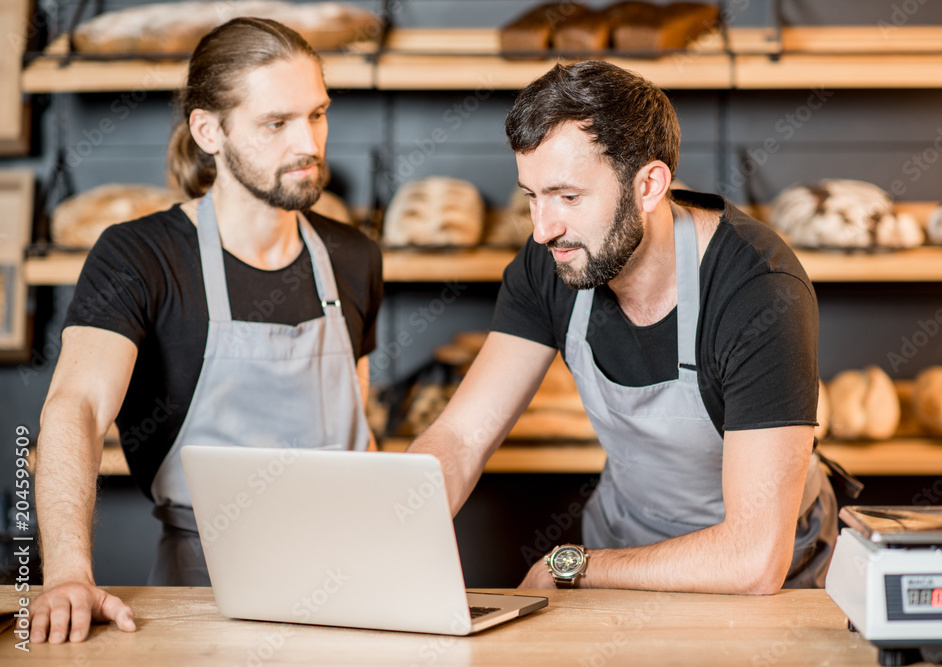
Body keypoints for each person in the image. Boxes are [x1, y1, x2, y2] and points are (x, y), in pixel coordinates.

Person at [410, 60, 847, 594]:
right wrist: (392, 524)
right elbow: (459, 437)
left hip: (770, 571)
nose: (543, 229)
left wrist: (569, 567)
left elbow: (753, 558)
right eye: (531, 196)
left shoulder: (758, 291)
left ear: (649, 185)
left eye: (569, 197)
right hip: (624, 545)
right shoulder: (555, 258)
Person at [29, 18, 382, 643]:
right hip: (200, 596)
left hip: (353, 582)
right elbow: (75, 408)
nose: (309, 143)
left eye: (318, 114)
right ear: (209, 131)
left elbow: (362, 428)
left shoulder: (354, 256)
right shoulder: (140, 257)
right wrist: (65, 573)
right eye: (277, 123)